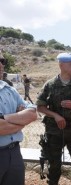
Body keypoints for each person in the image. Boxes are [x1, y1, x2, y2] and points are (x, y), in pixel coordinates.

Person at [36, 52, 71, 185]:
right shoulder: (50, 85)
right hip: (54, 132)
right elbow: (40, 107)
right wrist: (55, 115)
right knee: (54, 167)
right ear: (61, 65)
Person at [0, 54, 37, 185]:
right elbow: (1, 128)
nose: (1, 64)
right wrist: (20, 120)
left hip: (14, 153)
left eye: (2, 60)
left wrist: (5, 118)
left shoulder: (9, 89)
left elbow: (33, 114)